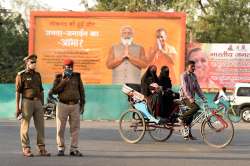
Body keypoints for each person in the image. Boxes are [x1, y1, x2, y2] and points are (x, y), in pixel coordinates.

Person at [48, 59, 85, 156]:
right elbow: (54, 91)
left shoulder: (77, 77)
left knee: (75, 128)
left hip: (75, 105)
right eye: (68, 67)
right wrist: (63, 81)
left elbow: (81, 91)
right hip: (62, 105)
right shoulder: (58, 77)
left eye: (71, 67)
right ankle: (61, 148)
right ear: (63, 67)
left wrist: (82, 104)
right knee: (60, 128)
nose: (70, 68)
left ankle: (74, 149)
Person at [15, 54, 50, 157]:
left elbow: (41, 90)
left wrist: (42, 105)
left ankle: (41, 148)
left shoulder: (37, 75)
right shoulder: (21, 75)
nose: (34, 64)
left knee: (40, 126)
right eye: (32, 62)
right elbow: (18, 92)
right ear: (27, 63)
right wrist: (17, 108)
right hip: (27, 102)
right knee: (25, 126)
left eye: (35, 62)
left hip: (38, 102)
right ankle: (26, 148)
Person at [180, 60, 206, 140]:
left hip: (191, 98)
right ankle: (181, 118)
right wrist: (190, 98)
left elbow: (197, 88)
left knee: (191, 117)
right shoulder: (183, 75)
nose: (194, 68)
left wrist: (203, 97)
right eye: (192, 67)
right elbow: (185, 88)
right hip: (185, 98)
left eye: (194, 66)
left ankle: (188, 134)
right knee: (196, 108)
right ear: (187, 67)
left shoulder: (193, 76)